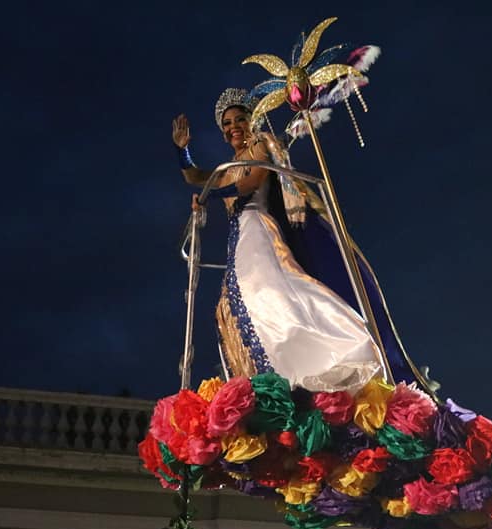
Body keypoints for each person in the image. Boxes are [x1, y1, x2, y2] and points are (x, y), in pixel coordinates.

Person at [172, 88, 419, 394]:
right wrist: (183, 150)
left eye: (240, 119)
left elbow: (250, 183)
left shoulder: (260, 145)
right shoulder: (229, 165)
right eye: (227, 123)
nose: (234, 126)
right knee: (247, 302)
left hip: (258, 229)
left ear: (252, 121)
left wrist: (209, 196)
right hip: (239, 238)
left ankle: (345, 343)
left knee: (269, 289)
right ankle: (281, 369)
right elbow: (195, 176)